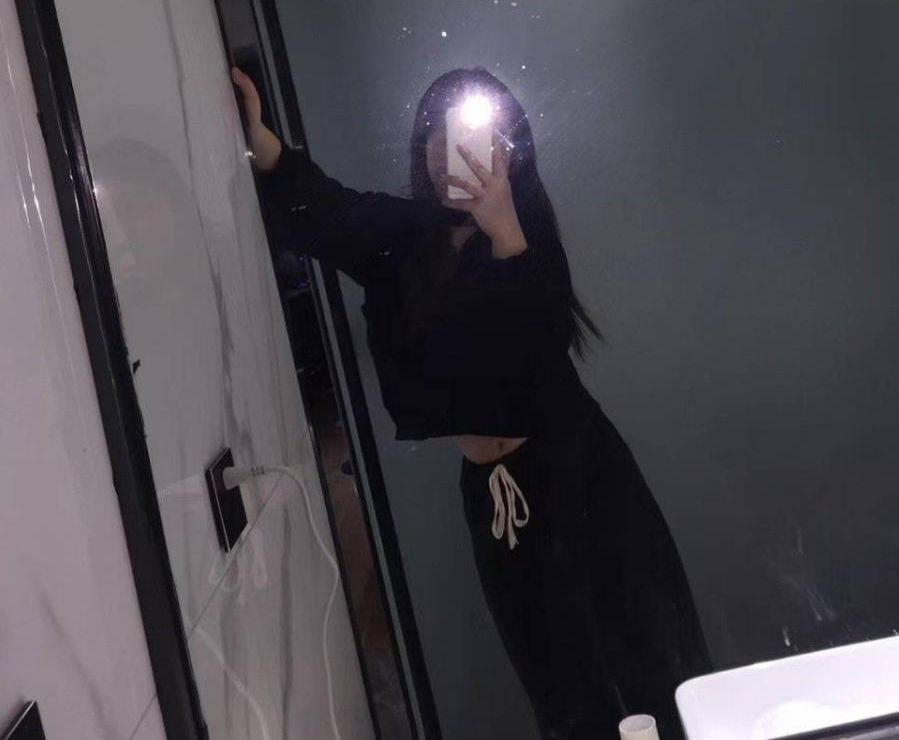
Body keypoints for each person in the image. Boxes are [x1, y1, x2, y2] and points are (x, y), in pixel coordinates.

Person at [233, 64, 709, 739]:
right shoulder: (403, 237)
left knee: (643, 651)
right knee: (554, 678)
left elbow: (540, 342)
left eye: (463, 136)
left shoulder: (525, 240)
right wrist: (261, 139)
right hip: (493, 495)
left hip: (580, 477)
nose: (443, 152)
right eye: (433, 134)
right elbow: (327, 210)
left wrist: (504, 229)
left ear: (505, 149)